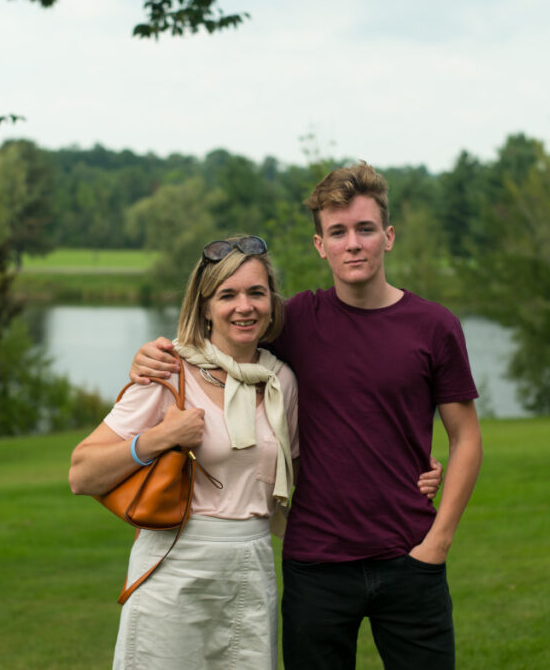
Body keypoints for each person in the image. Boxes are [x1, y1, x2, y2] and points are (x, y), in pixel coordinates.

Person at [131, 162, 483, 670]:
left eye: (365, 229)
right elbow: (221, 331)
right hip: (316, 564)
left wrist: (439, 541)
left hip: (411, 555)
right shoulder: (293, 321)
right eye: (337, 232)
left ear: (388, 236)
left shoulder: (435, 326)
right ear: (321, 245)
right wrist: (152, 355)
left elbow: (466, 439)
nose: (353, 244)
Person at [69, 235, 298, 669]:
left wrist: (409, 475)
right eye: (227, 295)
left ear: (272, 302)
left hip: (252, 569)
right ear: (205, 306)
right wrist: (157, 439)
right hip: (174, 565)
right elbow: (82, 473)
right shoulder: (168, 369)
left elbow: (306, 477)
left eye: (256, 292)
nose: (243, 306)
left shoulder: (280, 381)